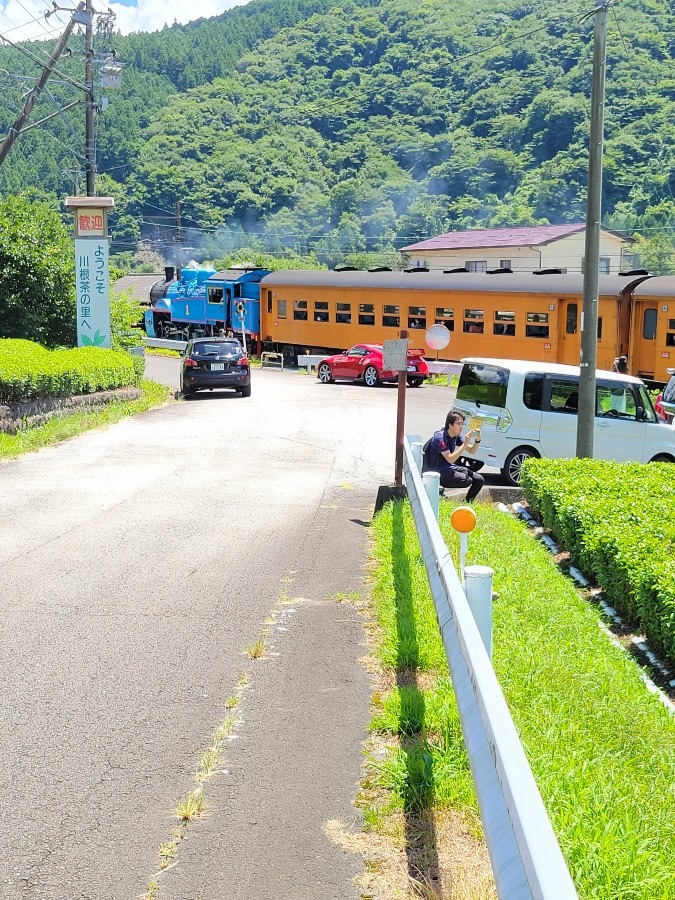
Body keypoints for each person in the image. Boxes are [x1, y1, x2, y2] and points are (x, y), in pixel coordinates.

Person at [424, 410, 485, 502]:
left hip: (448, 467)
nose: (461, 427)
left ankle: (467, 503)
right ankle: (439, 492)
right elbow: (450, 459)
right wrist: (464, 445)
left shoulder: (456, 436)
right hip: (437, 471)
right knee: (465, 480)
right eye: (459, 424)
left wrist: (477, 440)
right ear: (450, 425)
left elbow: (472, 451)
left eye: (462, 424)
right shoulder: (439, 438)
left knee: (479, 479)